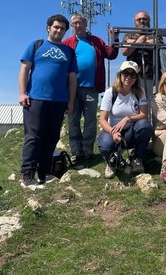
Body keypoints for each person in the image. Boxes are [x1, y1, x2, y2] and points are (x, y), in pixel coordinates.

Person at [19, 14, 77, 188]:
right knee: (34, 137)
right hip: (36, 98)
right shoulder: (36, 45)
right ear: (48, 28)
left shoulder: (69, 52)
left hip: (59, 101)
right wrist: (22, 93)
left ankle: (44, 172)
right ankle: (27, 174)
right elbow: (24, 69)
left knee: (52, 137)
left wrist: (71, 101)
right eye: (56, 27)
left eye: (62, 28)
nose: (59, 30)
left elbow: (72, 78)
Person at [63, 13, 119, 165]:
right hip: (72, 89)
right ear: (72, 26)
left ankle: (87, 150)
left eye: (80, 22)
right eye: (74, 23)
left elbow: (111, 54)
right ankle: (75, 151)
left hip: (91, 88)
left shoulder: (96, 41)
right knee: (73, 120)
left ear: (85, 24)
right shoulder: (67, 42)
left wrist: (114, 39)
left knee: (90, 121)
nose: (78, 25)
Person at [98, 61, 153, 179]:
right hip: (113, 130)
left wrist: (127, 119)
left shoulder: (140, 92)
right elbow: (102, 119)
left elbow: (144, 114)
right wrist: (113, 132)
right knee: (105, 144)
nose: (128, 77)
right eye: (125, 73)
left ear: (136, 78)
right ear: (120, 75)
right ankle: (112, 161)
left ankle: (137, 158)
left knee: (145, 126)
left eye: (133, 74)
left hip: (131, 131)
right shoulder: (111, 92)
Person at [122, 11, 161, 102]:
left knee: (153, 104)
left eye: (144, 19)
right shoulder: (128, 35)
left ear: (148, 20)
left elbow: (157, 43)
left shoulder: (155, 33)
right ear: (135, 21)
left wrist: (134, 43)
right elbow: (124, 51)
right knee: (134, 102)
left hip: (152, 75)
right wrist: (139, 42)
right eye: (139, 19)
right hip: (134, 76)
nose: (142, 21)